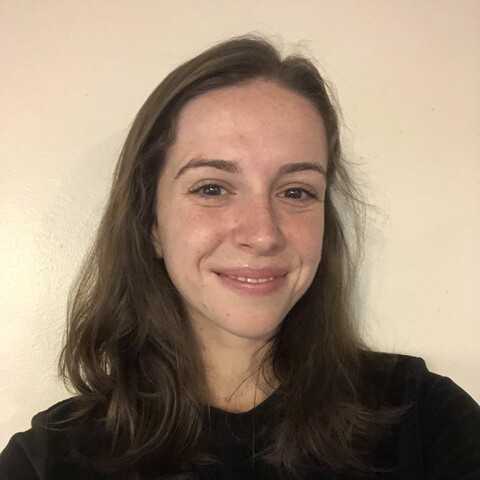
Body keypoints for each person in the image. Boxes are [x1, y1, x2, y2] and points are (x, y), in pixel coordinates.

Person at [1, 35, 479, 480]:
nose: (263, 234)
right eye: (212, 187)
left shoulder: (426, 419)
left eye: (296, 191)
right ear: (151, 226)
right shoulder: (47, 461)